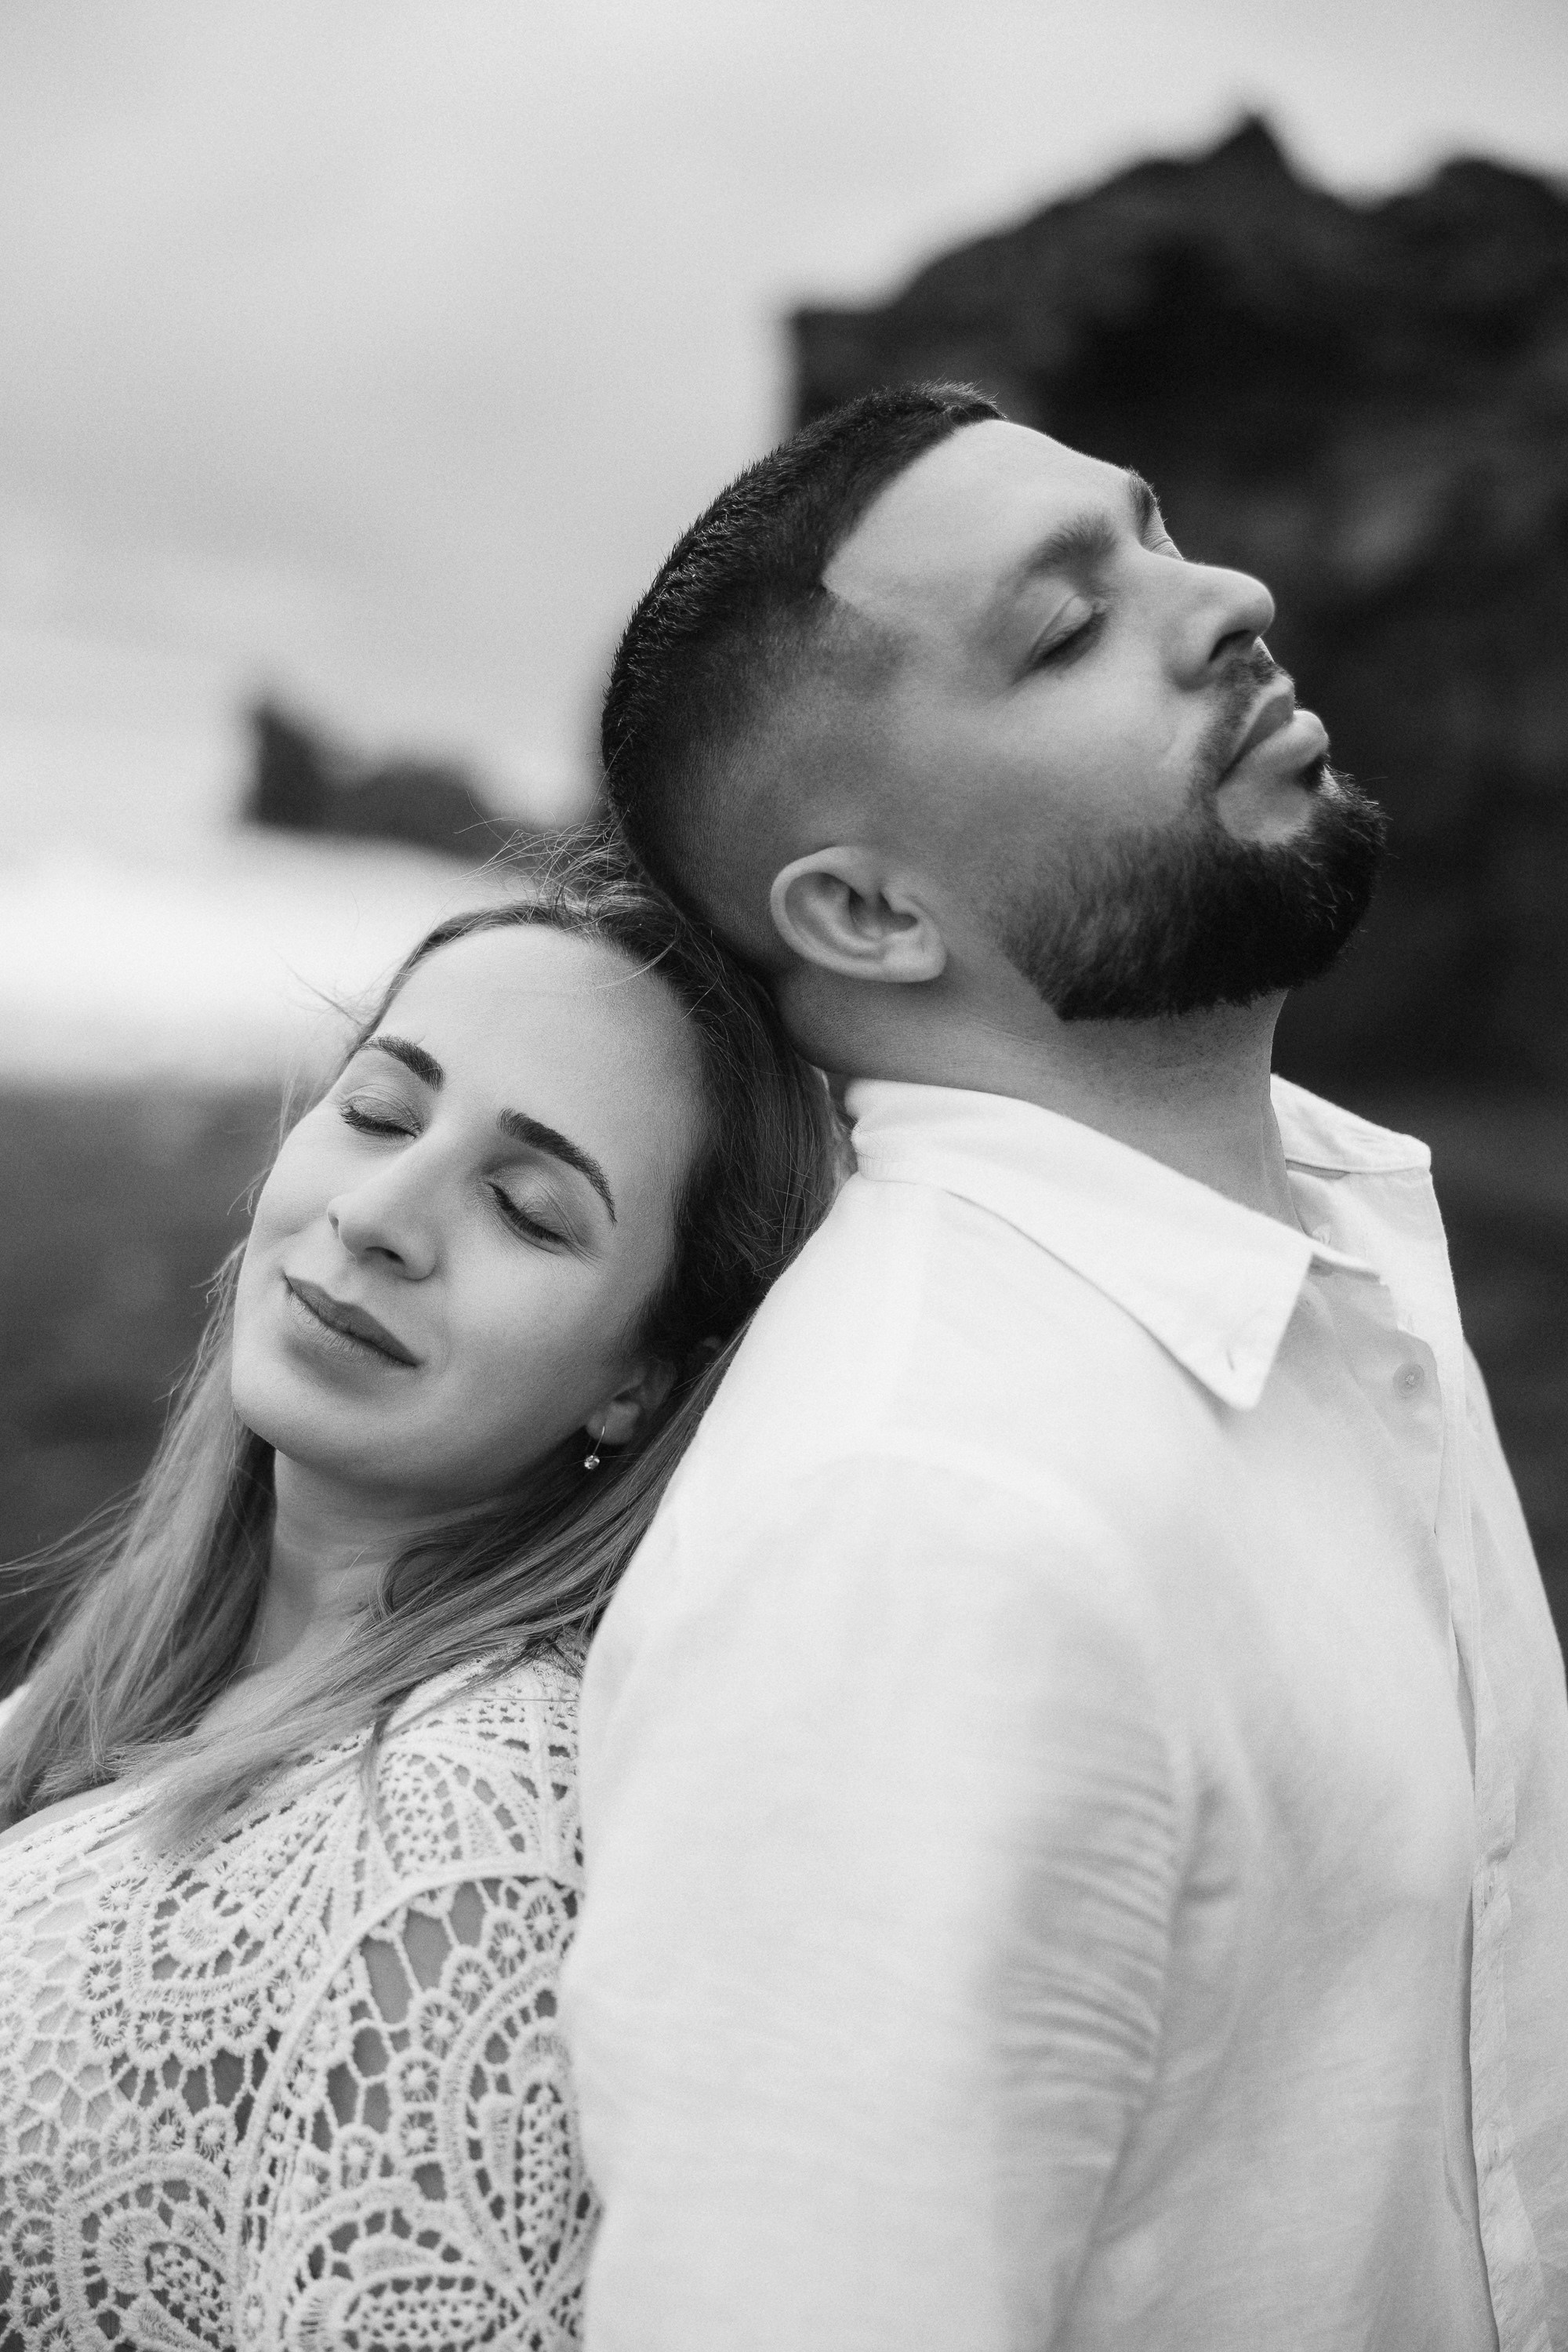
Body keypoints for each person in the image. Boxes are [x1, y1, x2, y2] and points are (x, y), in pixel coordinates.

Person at [562, 384, 1568, 2350]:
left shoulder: (1328, 1272)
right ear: (861, 912)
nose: (1230, 597)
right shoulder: (917, 1524)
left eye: (1157, 531)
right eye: (1059, 631)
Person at [0, 838, 840, 2350]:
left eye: (527, 1209)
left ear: (640, 1379)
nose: (382, 1211)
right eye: (381, 1107)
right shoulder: (130, 1685)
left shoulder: (472, 1820)